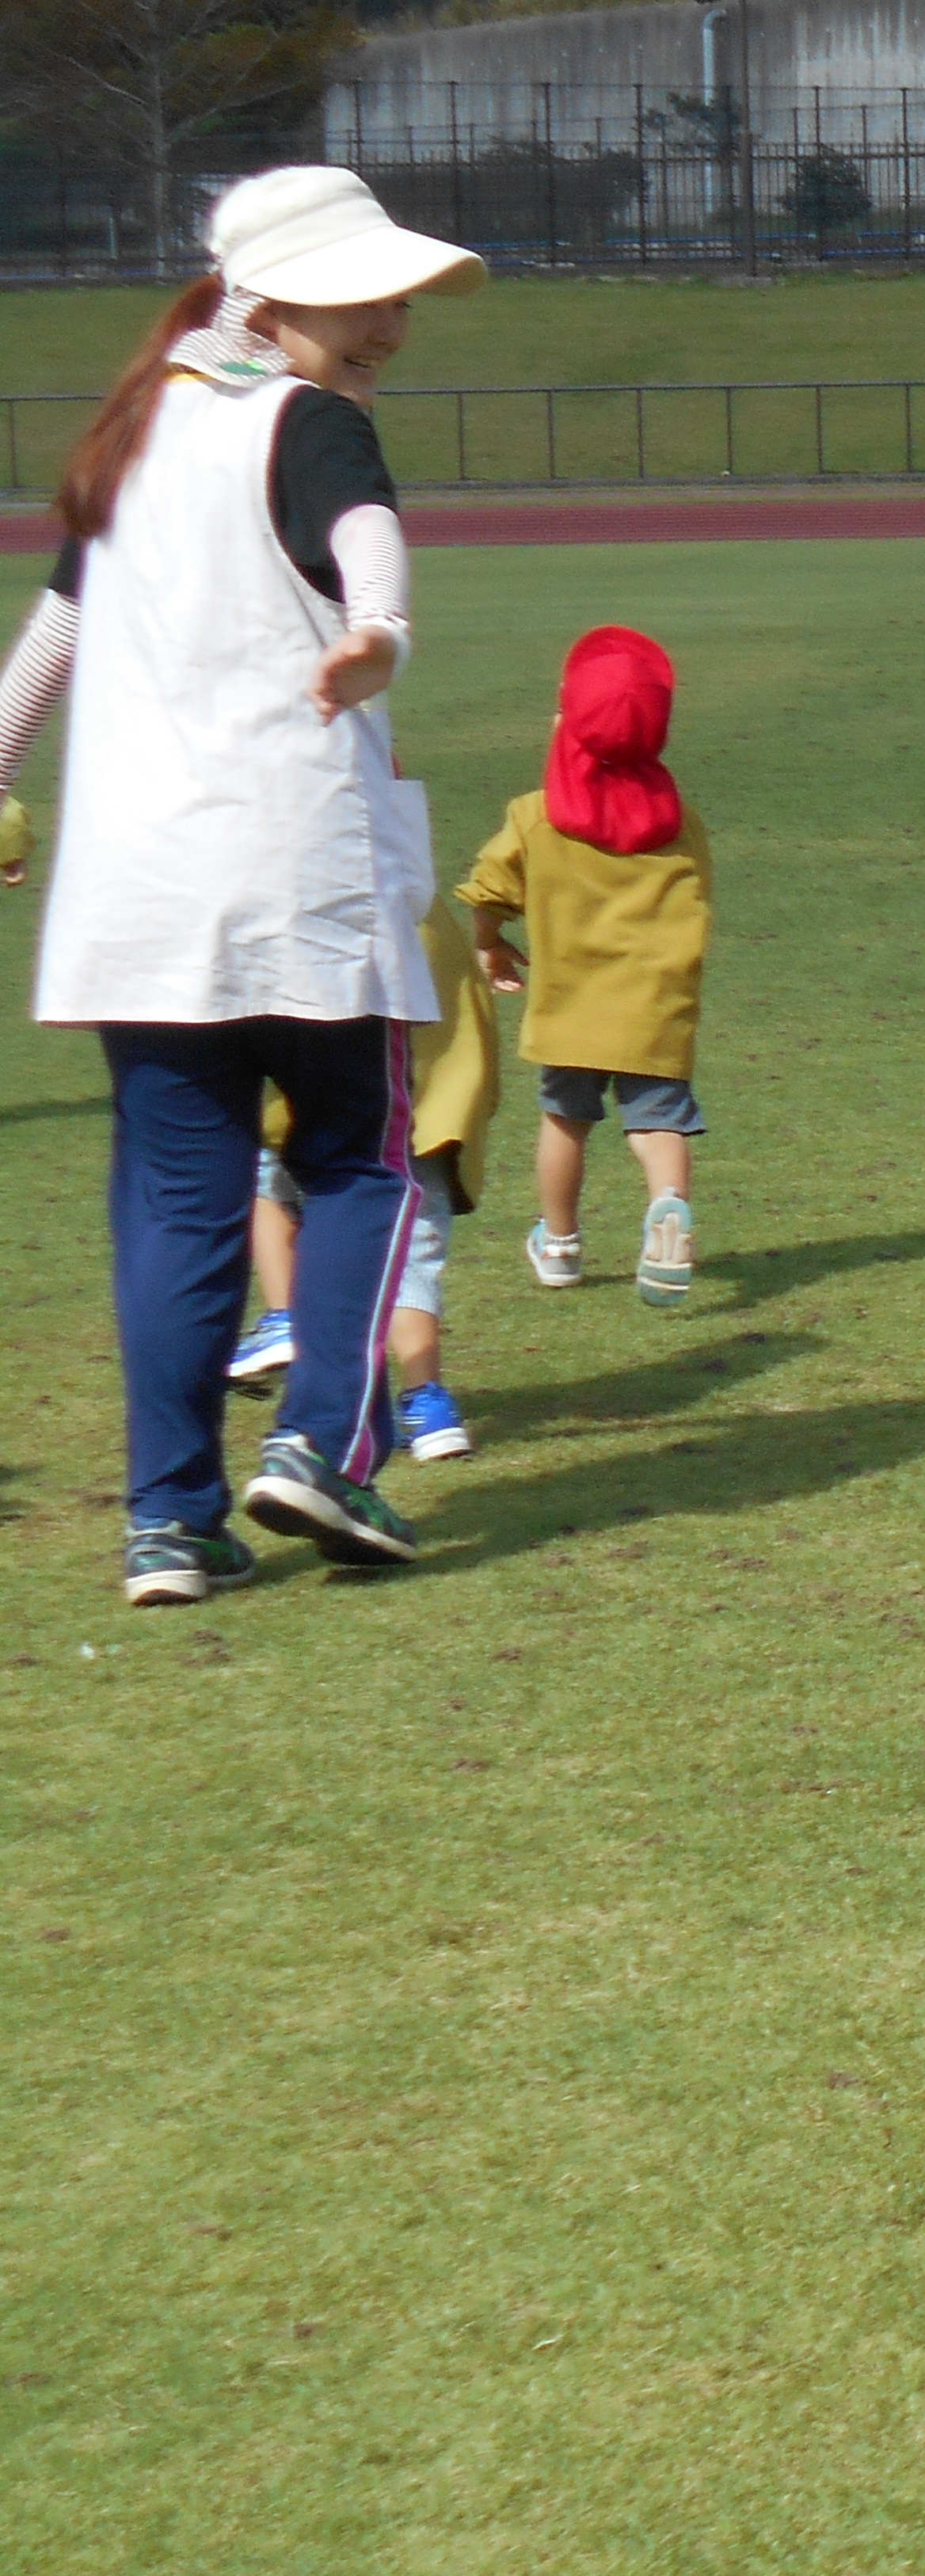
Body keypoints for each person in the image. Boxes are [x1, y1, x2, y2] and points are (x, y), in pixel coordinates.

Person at [0, 166, 482, 1598]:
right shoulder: (309, 415)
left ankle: (169, 1516)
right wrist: (381, 635)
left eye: (395, 295)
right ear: (270, 300)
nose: (390, 320)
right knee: (360, 1156)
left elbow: (57, 627)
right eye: (363, 295)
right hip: (293, 873)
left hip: (138, 892)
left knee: (176, 1198)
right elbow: (367, 540)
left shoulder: (137, 427)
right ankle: (321, 1452)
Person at [459, 626, 713, 1310]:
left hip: (572, 1004)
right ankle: (668, 1201)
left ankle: (561, 1244)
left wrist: (491, 944)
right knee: (660, 1121)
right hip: (654, 1005)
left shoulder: (537, 817)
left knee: (565, 1119)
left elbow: (489, 891)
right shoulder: (680, 824)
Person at [234, 883, 501, 1464]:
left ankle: (284, 1317)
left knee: (263, 1175)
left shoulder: (292, 893)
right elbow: (471, 1014)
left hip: (312, 1093)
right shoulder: (420, 905)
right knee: (413, 1248)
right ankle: (427, 1401)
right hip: (426, 1108)